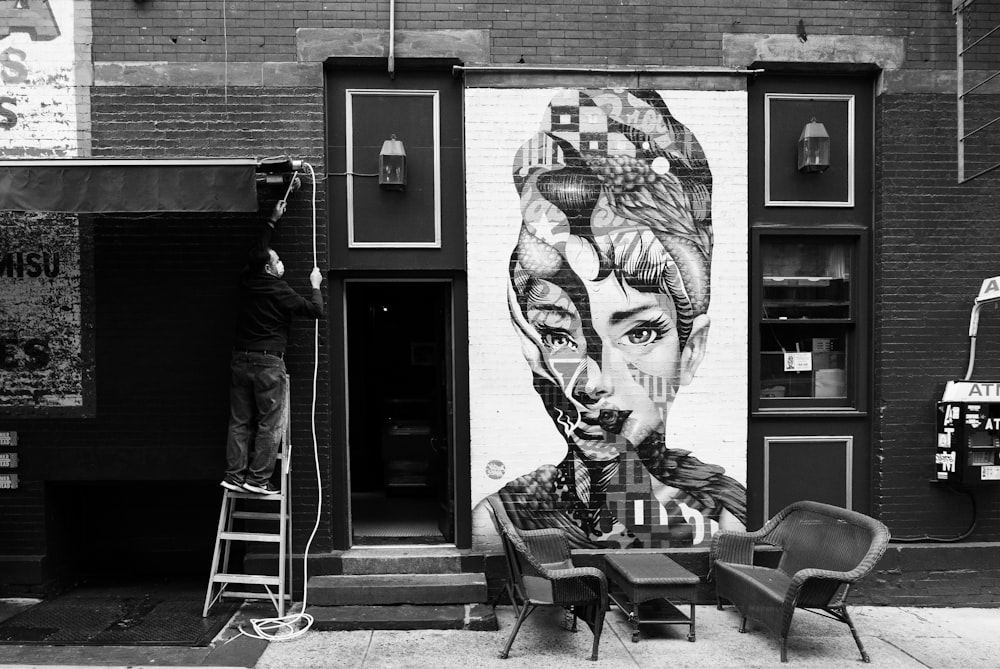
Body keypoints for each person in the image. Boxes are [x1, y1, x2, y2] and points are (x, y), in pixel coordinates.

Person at [489, 89, 746, 548]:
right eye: (558, 336)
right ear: (530, 343)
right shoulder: (509, 514)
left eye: (640, 332)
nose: (593, 381)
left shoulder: (725, 515)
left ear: (691, 350)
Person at [222, 194, 323, 495]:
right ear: (269, 268)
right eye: (277, 260)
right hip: (268, 362)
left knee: (240, 420)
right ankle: (257, 480)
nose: (281, 263)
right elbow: (315, 311)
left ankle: (234, 475)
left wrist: (272, 220)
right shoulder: (280, 290)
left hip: (240, 359)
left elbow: (257, 251)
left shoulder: (248, 280)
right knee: (269, 422)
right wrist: (315, 286)